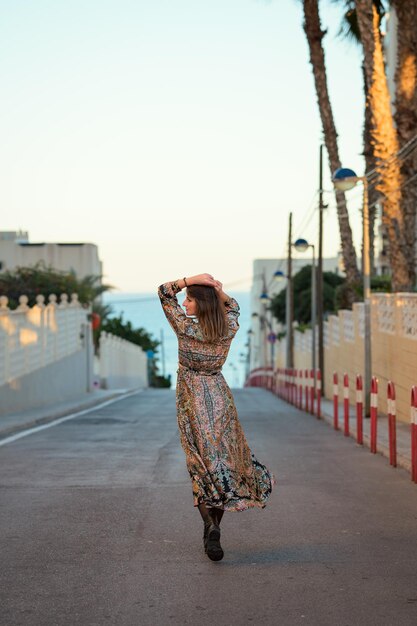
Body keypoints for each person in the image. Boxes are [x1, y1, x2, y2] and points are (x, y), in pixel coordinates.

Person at [158, 273, 274, 562]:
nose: (184, 303)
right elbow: (233, 307)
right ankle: (214, 527)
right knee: (221, 464)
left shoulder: (185, 327)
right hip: (220, 398)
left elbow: (163, 292)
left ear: (200, 304)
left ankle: (209, 525)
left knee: (201, 465)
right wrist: (219, 290)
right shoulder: (228, 329)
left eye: (190, 299)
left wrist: (189, 279)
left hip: (191, 401)